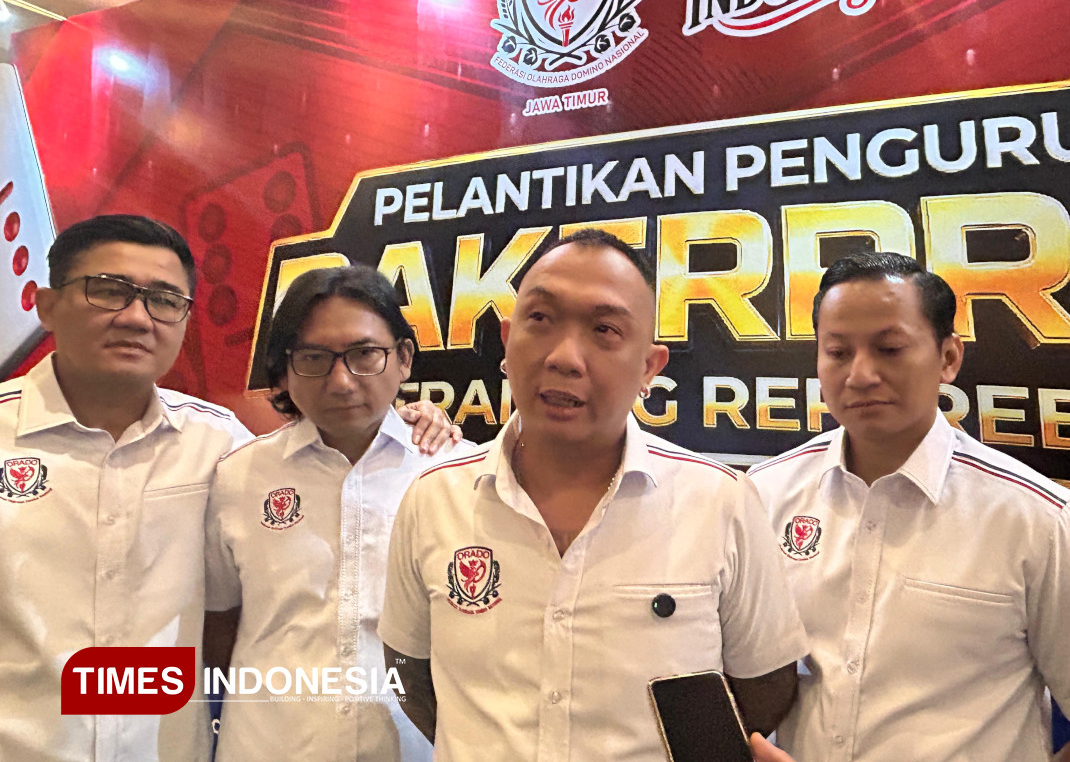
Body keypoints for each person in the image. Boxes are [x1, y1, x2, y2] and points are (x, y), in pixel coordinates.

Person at [0, 215, 456, 762]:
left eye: (163, 300)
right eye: (109, 291)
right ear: (47, 306)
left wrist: (412, 422)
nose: (137, 318)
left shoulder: (218, 443)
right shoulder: (238, 463)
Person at [378, 228, 808, 761]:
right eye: (540, 319)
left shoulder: (719, 500)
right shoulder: (432, 497)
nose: (565, 357)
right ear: (507, 341)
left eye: (604, 329)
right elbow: (407, 671)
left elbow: (765, 686)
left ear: (649, 367)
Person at [748, 251, 1070, 762]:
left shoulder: (1045, 523)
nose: (860, 375)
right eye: (838, 352)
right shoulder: (763, 494)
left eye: (889, 348)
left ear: (948, 358)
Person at [204, 266, 470, 762]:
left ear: (403, 358)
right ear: (284, 370)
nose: (341, 381)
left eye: (364, 354)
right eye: (314, 359)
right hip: (269, 747)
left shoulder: (460, 475)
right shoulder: (237, 477)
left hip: (417, 748)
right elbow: (219, 622)